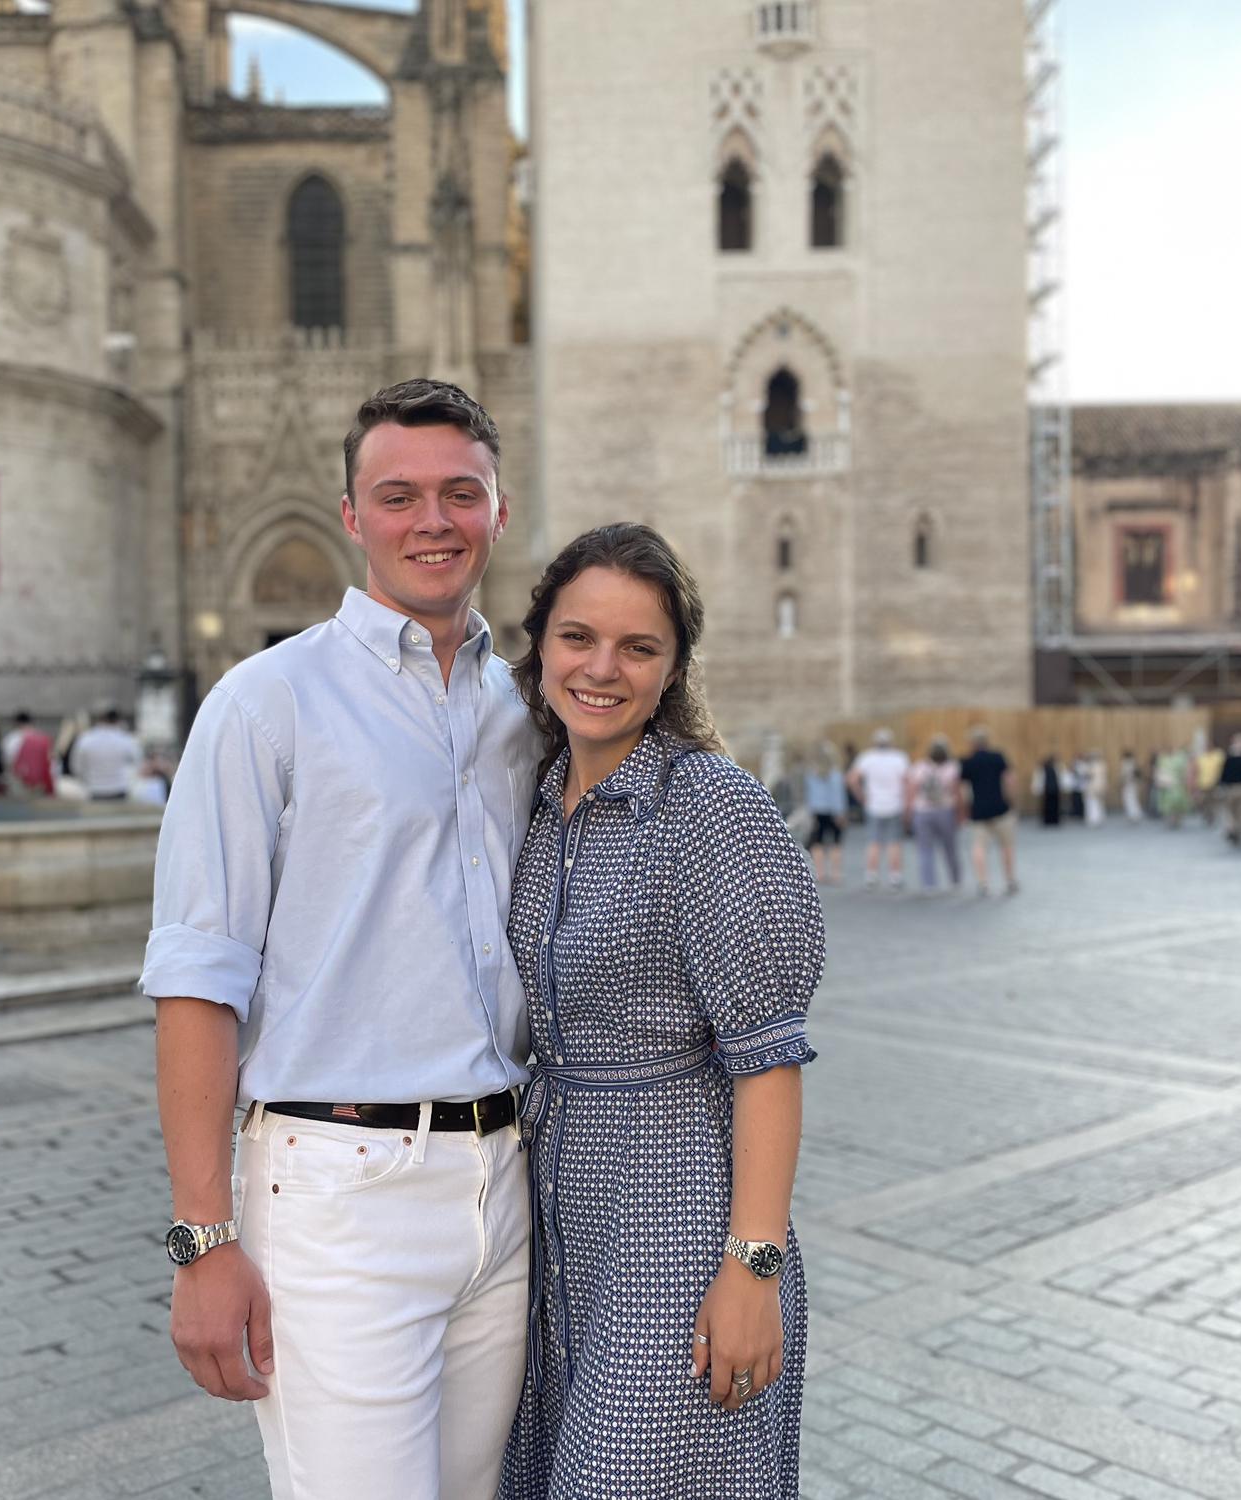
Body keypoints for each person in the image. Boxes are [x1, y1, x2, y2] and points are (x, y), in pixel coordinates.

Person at [141, 380, 541, 1500]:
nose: (433, 520)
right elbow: (197, 983)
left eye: (461, 493)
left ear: (500, 511)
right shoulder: (266, 703)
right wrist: (201, 1239)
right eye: (399, 495)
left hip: (502, 1191)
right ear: (352, 515)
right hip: (338, 1196)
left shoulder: (528, 712)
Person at [499, 523, 823, 1500]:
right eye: (577, 637)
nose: (602, 668)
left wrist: (751, 1268)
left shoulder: (705, 803)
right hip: (556, 1212)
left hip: (676, 1212)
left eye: (638, 648)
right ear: (541, 644)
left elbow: (768, 1059)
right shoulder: (538, 801)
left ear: (674, 667)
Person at [848, 729, 910, 889]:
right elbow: (907, 781)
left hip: (874, 805)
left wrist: (861, 796)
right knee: (894, 842)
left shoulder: (867, 758)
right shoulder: (899, 758)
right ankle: (895, 876)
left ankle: (871, 875)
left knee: (873, 842)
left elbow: (852, 778)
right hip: (894, 804)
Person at [963, 726, 1019, 895]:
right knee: (1007, 846)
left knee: (978, 847)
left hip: (979, 811)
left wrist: (966, 809)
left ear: (972, 743)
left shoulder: (967, 762)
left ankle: (983, 883)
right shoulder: (997, 757)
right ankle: (1010, 880)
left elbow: (963, 789)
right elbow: (1010, 781)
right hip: (1000, 809)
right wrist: (1013, 803)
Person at [906, 735, 962, 893]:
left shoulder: (919, 767)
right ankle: (955, 880)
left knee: (925, 849)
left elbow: (912, 790)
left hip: (923, 811)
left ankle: (929, 883)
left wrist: (909, 811)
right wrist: (960, 813)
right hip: (945, 810)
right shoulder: (952, 767)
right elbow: (956, 792)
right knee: (950, 848)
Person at [70, 707, 141, 800]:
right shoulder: (126, 739)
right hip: (119, 788)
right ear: (118, 720)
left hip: (94, 789)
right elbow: (137, 762)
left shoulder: (85, 739)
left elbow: (76, 767)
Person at [803, 740, 848, 884]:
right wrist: (840, 812)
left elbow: (808, 794)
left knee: (817, 842)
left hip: (817, 810)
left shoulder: (811, 774)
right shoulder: (835, 775)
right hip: (833, 811)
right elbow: (837, 794)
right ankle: (836, 873)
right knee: (836, 842)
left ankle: (820, 872)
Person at [2, 710, 55, 798]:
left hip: (17, 783)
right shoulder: (42, 738)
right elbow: (51, 763)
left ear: (15, 723)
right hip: (39, 784)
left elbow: (6, 762)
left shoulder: (10, 739)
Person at [1155, 746, 1192, 829]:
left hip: (1178, 785)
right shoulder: (1163, 759)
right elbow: (1159, 771)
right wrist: (1160, 781)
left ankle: (1177, 819)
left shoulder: (1179, 760)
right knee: (1168, 805)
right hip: (1167, 786)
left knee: (1178, 804)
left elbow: (1184, 772)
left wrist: (1186, 782)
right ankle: (1171, 820)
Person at [1221, 733, 1241, 848]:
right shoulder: (1230, 758)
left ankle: (1235, 830)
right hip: (1233, 788)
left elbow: (1224, 774)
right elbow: (1224, 773)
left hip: (1240, 788)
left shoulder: (1230, 758)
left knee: (1240, 813)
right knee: (1233, 812)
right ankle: (1235, 830)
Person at [1034, 754, 1063, 827]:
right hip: (1049, 789)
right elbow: (1040, 779)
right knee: (1049, 805)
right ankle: (1049, 820)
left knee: (1053, 805)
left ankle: (1053, 820)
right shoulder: (1044, 769)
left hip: (1052, 789)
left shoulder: (1056, 768)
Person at [1083, 750, 1107, 827]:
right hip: (1100, 786)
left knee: (1092, 803)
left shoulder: (1092, 766)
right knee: (1099, 803)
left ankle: (1094, 819)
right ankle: (1099, 818)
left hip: (1093, 786)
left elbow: (1088, 775)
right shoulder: (1102, 765)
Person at [1119, 749, 1143, 823]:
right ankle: (1136, 814)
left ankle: (1133, 815)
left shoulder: (1126, 764)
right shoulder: (1134, 762)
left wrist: (1122, 782)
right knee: (1133, 799)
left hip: (1128, 784)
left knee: (1129, 799)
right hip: (1134, 783)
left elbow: (1124, 775)